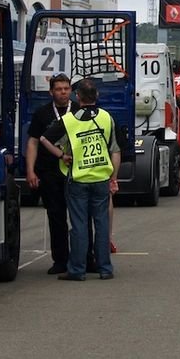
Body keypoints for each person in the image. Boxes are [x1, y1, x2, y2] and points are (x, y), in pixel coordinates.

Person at [39, 78, 120, 280]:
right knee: (101, 224)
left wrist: (61, 155)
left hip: (77, 177)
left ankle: (77, 269)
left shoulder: (69, 120)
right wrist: (113, 177)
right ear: (97, 97)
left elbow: (44, 139)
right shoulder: (106, 117)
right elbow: (115, 150)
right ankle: (105, 268)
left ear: (78, 97)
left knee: (79, 225)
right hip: (101, 176)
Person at [25, 73, 76, 275]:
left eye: (66, 89)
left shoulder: (79, 111)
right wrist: (30, 171)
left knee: (80, 216)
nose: (63, 92)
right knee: (56, 216)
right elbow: (33, 142)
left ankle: (85, 257)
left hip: (76, 172)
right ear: (51, 92)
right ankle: (60, 260)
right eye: (59, 89)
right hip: (49, 171)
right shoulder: (42, 114)